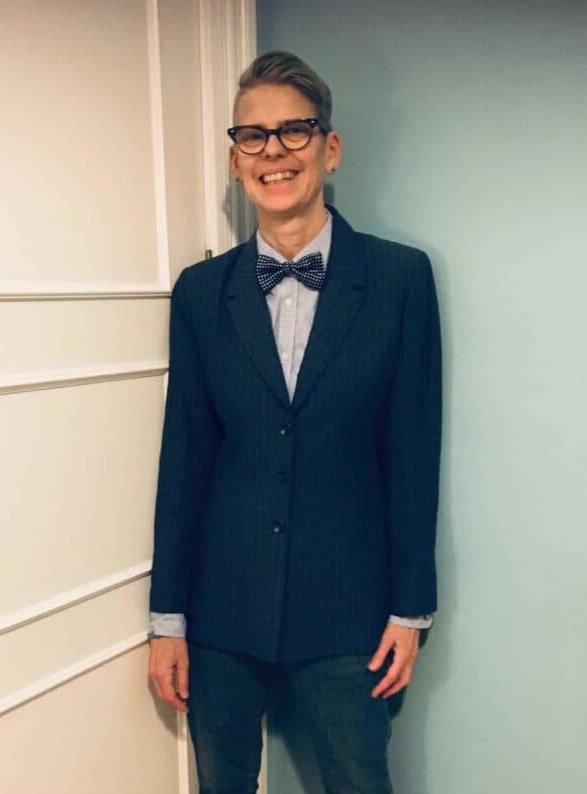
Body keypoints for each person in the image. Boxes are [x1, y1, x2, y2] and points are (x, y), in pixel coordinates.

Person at [148, 50, 442, 794]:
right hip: (221, 610)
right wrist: (168, 619)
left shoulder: (400, 280)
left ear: (329, 148)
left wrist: (412, 608)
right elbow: (184, 457)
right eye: (253, 136)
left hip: (351, 611)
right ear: (235, 159)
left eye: (294, 131)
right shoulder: (199, 293)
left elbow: (412, 453)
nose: (273, 151)